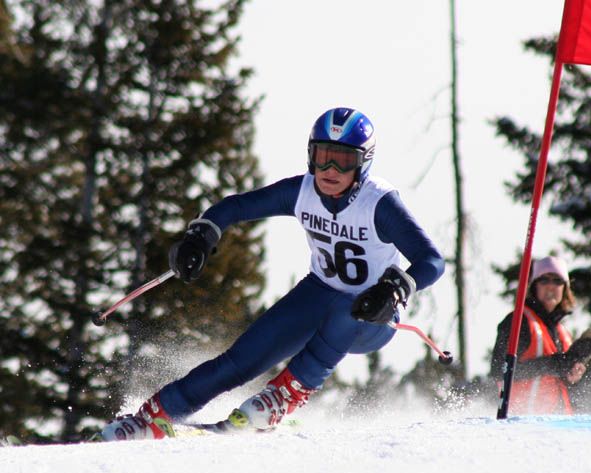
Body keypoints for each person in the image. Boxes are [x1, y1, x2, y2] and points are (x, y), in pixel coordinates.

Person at [101, 107, 445, 441]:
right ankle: (153, 417)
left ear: (363, 163)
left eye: (343, 160)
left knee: (347, 308)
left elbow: (431, 260)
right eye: (322, 155)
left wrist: (392, 289)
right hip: (318, 293)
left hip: (371, 315)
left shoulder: (378, 203)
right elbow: (236, 207)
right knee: (239, 361)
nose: (329, 168)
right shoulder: (303, 191)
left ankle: (281, 398)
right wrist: (201, 236)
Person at [490, 255, 591, 415]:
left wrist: (573, 374)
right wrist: (554, 364)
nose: (550, 286)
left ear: (565, 288)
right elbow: (499, 370)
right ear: (534, 286)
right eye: (544, 280)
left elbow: (562, 381)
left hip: (557, 426)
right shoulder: (519, 321)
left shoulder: (562, 332)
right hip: (521, 423)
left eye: (557, 281)